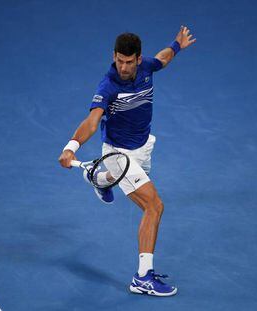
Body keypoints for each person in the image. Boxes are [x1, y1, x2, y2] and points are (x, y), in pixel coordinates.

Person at [58, 26, 196, 296]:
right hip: (118, 153)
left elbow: (164, 58)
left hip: (142, 148)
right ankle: (143, 277)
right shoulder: (107, 86)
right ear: (114, 56)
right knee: (154, 207)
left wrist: (177, 44)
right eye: (119, 60)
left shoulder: (147, 67)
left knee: (122, 182)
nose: (122, 67)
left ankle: (98, 179)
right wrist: (71, 146)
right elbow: (92, 121)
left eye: (128, 62)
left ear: (138, 59)